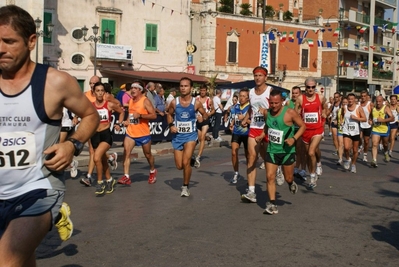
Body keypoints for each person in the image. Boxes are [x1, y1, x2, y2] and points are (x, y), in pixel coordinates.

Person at [0, 5, 99, 265]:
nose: (0, 48)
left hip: (37, 189)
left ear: (32, 41)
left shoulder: (55, 82)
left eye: (9, 41)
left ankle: (52, 212)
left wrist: (73, 146)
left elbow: (91, 116)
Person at [261, 90, 306, 214]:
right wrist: (262, 135)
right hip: (272, 150)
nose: (274, 106)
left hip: (287, 151)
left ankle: (291, 183)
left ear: (282, 101)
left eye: (276, 103)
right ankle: (272, 204)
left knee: (288, 177)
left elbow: (302, 126)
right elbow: (267, 126)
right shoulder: (267, 113)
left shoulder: (290, 113)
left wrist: (294, 138)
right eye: (271, 103)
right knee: (270, 177)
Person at [167, 77, 208, 197]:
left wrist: (202, 118)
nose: (183, 88)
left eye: (186, 86)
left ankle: (185, 186)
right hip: (178, 136)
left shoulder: (196, 103)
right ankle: (191, 160)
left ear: (190, 88)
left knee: (185, 163)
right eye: (181, 86)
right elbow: (169, 115)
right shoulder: (175, 102)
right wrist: (171, 125)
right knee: (179, 166)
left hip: (191, 135)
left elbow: (205, 114)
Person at [241, 66, 272, 203]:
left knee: (267, 158)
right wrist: (245, 118)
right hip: (254, 128)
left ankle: (276, 170)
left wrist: (266, 112)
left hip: (268, 128)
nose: (258, 78)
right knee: (251, 158)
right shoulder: (251, 92)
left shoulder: (270, 91)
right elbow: (251, 107)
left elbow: (277, 108)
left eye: (260, 75)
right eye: (255, 75)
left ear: (265, 77)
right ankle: (251, 191)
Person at [117, 81, 158, 185]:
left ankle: (152, 170)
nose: (133, 90)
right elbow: (130, 115)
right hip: (131, 132)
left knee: (148, 154)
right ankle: (126, 176)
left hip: (143, 133)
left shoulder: (145, 101)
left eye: (135, 88)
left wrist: (140, 115)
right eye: (132, 88)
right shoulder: (130, 101)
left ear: (140, 90)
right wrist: (126, 121)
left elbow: (154, 115)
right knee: (126, 152)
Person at [90, 82, 124, 194]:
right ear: (94, 92)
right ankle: (109, 180)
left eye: (101, 91)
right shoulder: (91, 106)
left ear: (104, 92)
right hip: (94, 135)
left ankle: (100, 183)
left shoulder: (109, 104)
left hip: (105, 134)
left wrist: (119, 124)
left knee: (96, 158)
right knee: (103, 161)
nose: (100, 93)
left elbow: (121, 111)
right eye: (97, 91)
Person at [295, 77, 327, 189]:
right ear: (305, 87)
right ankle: (317, 163)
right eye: (308, 87)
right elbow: (296, 114)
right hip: (306, 131)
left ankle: (313, 177)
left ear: (315, 87)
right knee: (309, 154)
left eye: (313, 87)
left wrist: (324, 115)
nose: (310, 89)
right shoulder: (300, 99)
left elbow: (324, 108)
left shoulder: (321, 97)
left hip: (317, 129)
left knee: (311, 152)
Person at [229, 88, 250, 184]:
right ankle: (236, 173)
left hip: (247, 134)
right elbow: (235, 117)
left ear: (248, 98)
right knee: (234, 152)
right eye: (240, 96)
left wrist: (245, 120)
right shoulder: (236, 107)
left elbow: (254, 122)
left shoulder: (250, 108)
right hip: (237, 132)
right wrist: (232, 124)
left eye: (243, 96)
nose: (241, 98)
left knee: (248, 156)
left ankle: (249, 175)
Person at [341, 93, 367, 173]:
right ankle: (348, 159)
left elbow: (364, 119)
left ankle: (353, 164)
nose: (350, 100)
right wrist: (342, 121)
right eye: (349, 99)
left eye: (352, 99)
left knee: (355, 150)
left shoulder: (358, 108)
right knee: (346, 147)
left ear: (355, 99)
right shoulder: (344, 107)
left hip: (355, 131)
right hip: (346, 130)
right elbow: (342, 115)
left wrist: (356, 118)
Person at [286, 86, 307, 181]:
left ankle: (302, 168)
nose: (294, 95)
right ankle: (294, 167)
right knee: (292, 149)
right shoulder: (288, 103)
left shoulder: (303, 102)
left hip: (300, 128)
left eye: (296, 93)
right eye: (293, 93)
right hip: (290, 129)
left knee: (300, 149)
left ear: (300, 94)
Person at [370, 95, 395, 167]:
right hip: (375, 129)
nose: (378, 103)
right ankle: (374, 160)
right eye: (377, 101)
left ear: (382, 101)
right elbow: (370, 116)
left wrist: (383, 120)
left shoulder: (386, 108)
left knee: (385, 144)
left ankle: (386, 152)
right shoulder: (373, 108)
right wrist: (370, 121)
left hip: (384, 129)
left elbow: (392, 118)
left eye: (379, 101)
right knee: (374, 144)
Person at [194, 84, 215, 168]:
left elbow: (213, 110)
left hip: (205, 120)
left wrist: (207, 114)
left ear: (206, 91)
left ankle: (198, 157)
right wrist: (196, 117)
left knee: (202, 137)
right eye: (201, 90)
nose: (202, 92)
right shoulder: (196, 99)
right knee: (199, 138)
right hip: (198, 120)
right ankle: (209, 138)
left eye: (204, 90)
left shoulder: (209, 100)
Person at [60, 107, 78, 178]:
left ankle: (70, 163)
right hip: (55, 124)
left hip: (65, 123)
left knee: (60, 146)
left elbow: (75, 104)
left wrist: (75, 117)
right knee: (64, 148)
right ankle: (71, 162)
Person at [359, 90, 373, 162]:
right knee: (359, 137)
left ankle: (365, 155)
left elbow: (374, 113)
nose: (363, 98)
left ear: (367, 97)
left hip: (367, 125)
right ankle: (360, 146)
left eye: (364, 96)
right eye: (362, 96)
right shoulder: (358, 104)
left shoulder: (370, 104)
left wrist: (371, 119)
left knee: (366, 141)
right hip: (359, 123)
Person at [329, 92, 342, 157]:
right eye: (335, 97)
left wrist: (338, 120)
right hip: (333, 122)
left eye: (337, 97)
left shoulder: (342, 104)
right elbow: (329, 111)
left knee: (340, 139)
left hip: (341, 123)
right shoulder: (333, 104)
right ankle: (337, 150)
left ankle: (340, 149)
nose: (336, 98)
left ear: (339, 97)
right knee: (334, 137)